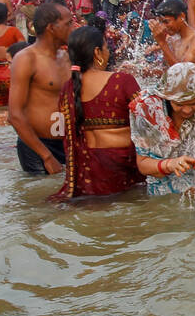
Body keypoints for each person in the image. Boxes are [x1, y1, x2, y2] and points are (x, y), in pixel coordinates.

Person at [54, 25, 143, 199]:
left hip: (88, 172)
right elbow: (151, 121)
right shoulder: (122, 81)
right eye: (106, 47)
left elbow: (58, 129)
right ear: (97, 52)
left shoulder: (68, 89)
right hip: (122, 167)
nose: (108, 52)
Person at [130, 62, 195, 197]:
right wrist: (170, 165)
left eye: (194, 103)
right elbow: (143, 164)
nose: (186, 110)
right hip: (164, 196)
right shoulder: (147, 109)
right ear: (166, 98)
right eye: (179, 104)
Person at [9, 0, 73, 174]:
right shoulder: (26, 59)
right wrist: (46, 156)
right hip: (37, 147)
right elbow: (15, 114)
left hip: (67, 144)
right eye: (68, 24)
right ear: (51, 28)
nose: (73, 28)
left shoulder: (67, 56)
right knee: (41, 198)